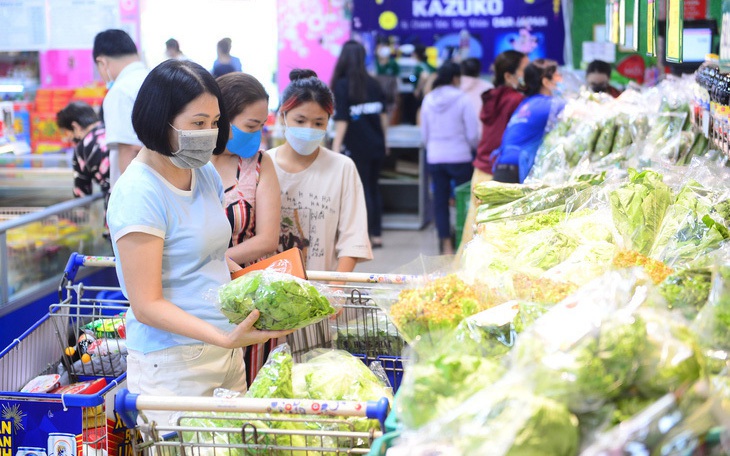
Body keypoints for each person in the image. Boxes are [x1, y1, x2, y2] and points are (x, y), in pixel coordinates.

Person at [106, 59, 291, 424]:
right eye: (198, 124)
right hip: (173, 365)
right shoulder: (138, 193)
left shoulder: (201, 171)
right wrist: (222, 338)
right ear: (161, 120)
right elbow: (147, 305)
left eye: (214, 122)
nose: (209, 133)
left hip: (224, 351)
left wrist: (267, 286)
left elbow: (211, 255)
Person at [212, 72, 281, 384]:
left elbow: (267, 239)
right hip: (198, 296)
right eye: (251, 126)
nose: (258, 135)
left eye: (261, 126)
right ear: (222, 119)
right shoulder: (190, 166)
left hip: (250, 296)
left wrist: (215, 260)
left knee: (250, 388)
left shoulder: (259, 165)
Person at [267, 69, 372, 272]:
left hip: (324, 293)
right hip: (267, 295)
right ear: (283, 117)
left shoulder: (342, 168)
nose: (309, 129)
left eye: (318, 123)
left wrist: (335, 291)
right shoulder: (263, 165)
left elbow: (353, 238)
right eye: (300, 121)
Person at [458, 51, 528, 252]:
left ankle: (463, 275)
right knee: (491, 237)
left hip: (480, 169)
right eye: (524, 69)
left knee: (473, 230)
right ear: (508, 75)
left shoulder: (491, 96)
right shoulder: (515, 100)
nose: (528, 73)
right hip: (498, 172)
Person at [331, 40, 388, 249]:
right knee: (374, 188)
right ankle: (377, 234)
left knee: (361, 191)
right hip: (377, 145)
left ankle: (365, 235)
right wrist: (385, 142)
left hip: (357, 146)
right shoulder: (374, 83)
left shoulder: (343, 85)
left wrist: (335, 147)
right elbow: (383, 116)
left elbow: (342, 119)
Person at [420, 62, 479, 255]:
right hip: (460, 156)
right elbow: (472, 133)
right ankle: (464, 242)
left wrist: (433, 149)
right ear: (455, 78)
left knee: (440, 201)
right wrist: (473, 148)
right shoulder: (462, 99)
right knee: (464, 200)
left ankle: (445, 246)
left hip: (435, 157)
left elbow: (424, 134)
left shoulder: (428, 99)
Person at [492, 59, 566, 184]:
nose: (562, 79)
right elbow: (581, 110)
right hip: (517, 170)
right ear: (546, 82)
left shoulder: (527, 103)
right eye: (557, 75)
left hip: (503, 166)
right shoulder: (550, 104)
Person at [93, 29, 149, 189]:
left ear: (102, 63)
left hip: (137, 190)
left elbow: (128, 150)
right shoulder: (154, 78)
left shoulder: (120, 92)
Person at [56, 101, 109, 207]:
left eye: (67, 132)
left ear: (75, 126)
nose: (68, 138)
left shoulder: (82, 147)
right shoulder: (112, 132)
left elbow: (81, 195)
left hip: (115, 205)